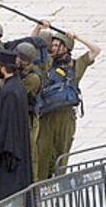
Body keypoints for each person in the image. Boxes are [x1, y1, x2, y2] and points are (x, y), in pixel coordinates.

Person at [37, 31, 101, 180]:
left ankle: (58, 183)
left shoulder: (76, 65)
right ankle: (40, 187)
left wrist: (77, 37)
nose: (53, 48)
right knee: (43, 152)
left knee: (62, 152)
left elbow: (96, 50)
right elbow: (30, 48)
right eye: (51, 45)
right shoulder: (47, 63)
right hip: (46, 115)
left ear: (66, 48)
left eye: (57, 45)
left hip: (66, 116)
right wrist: (39, 28)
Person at [0, 49, 32, 203]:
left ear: (2, 67)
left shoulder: (9, 91)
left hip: (11, 147)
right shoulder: (17, 85)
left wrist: (4, 148)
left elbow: (8, 124)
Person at [16, 43, 42, 181]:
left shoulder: (33, 77)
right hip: (23, 116)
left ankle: (34, 182)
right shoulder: (23, 72)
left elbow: (20, 93)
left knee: (31, 152)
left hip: (30, 119)